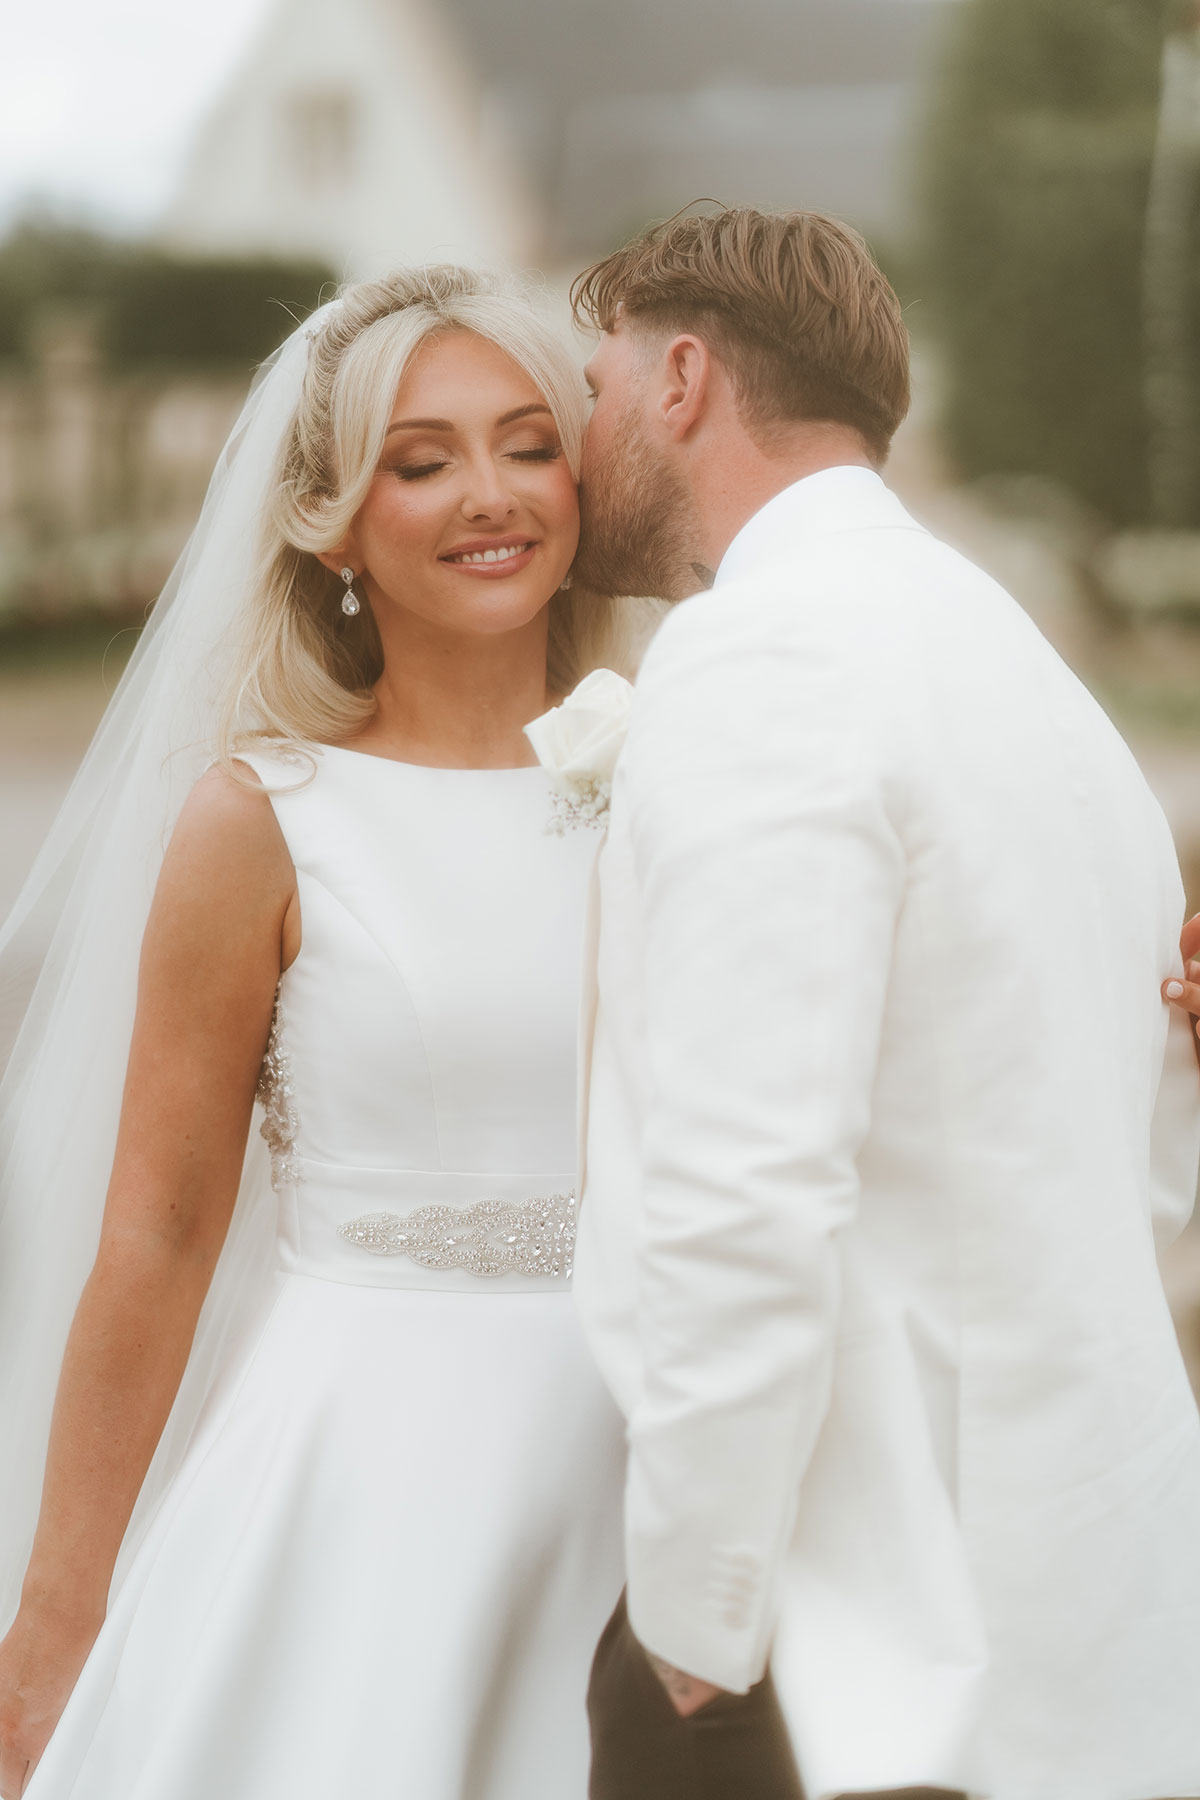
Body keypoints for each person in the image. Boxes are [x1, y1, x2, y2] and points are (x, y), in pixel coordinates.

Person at [555, 207, 1200, 1800]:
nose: (575, 441)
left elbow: (745, 1176)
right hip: (1077, 1626)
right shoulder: (1031, 679)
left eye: (593, 384)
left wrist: (695, 1628)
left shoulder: (765, 658)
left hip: (849, 1657)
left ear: (684, 375)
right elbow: (1148, 1172)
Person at [0, 267, 637, 1800]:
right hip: (367, 1469)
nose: (489, 495)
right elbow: (155, 1232)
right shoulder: (265, 820)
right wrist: (57, 1615)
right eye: (420, 462)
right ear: (330, 521)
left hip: (644, 1451)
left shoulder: (681, 778)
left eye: (527, 442)